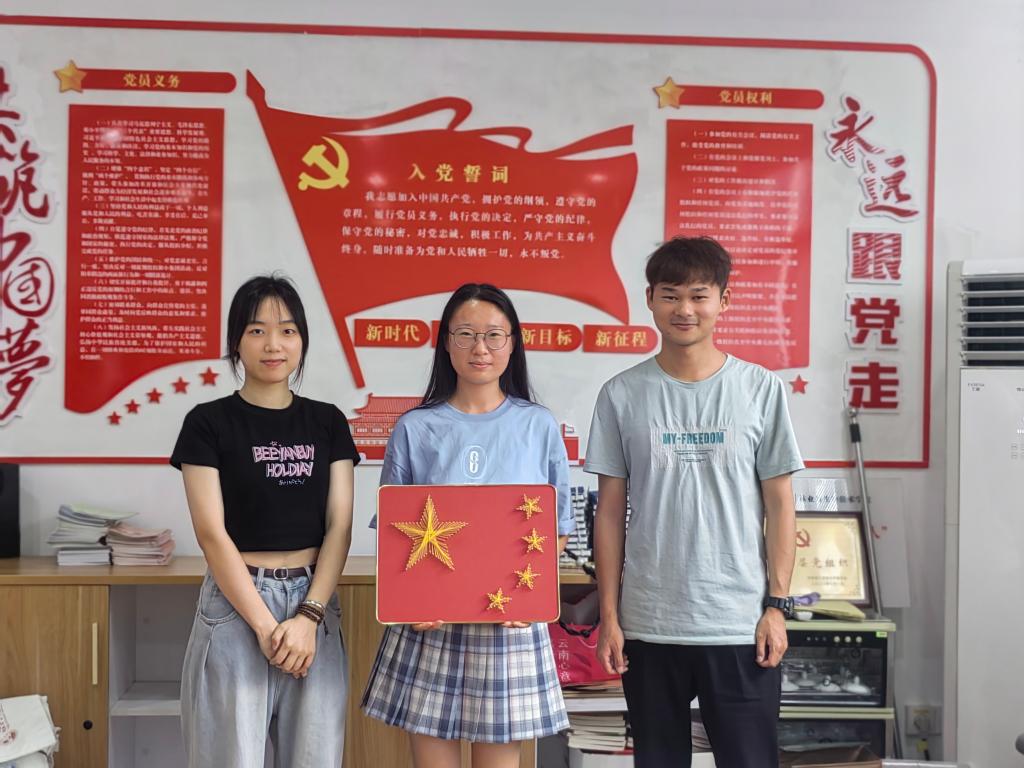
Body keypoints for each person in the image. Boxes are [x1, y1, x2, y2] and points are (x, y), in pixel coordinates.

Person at [584, 236, 804, 767]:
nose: (684, 309)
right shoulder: (621, 394)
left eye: (699, 295)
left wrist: (776, 607)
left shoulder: (760, 389)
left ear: (724, 301)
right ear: (650, 299)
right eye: (671, 295)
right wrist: (609, 617)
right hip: (649, 624)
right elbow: (609, 514)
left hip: (739, 622)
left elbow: (781, 506)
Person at [361, 283, 574, 768]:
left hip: (508, 624)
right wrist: (411, 600)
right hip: (430, 623)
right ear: (446, 343)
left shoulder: (538, 425)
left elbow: (556, 529)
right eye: (466, 334)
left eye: (494, 335)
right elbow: (395, 532)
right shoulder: (415, 427)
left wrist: (529, 595)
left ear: (512, 343)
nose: (481, 348)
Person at [170, 274, 360, 767]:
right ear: (236, 342)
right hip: (235, 606)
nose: (273, 344)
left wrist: (308, 617)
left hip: (313, 602)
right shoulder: (207, 423)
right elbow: (211, 533)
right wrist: (265, 626)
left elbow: (340, 526)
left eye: (287, 330)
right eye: (257, 331)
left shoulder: (328, 422)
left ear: (302, 341)